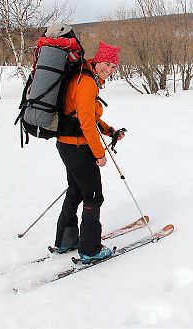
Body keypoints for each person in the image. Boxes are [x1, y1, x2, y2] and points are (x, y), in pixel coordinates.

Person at [53, 41, 124, 264]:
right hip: (78, 147)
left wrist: (109, 130)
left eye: (114, 67)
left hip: (67, 145)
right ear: (98, 60)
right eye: (107, 64)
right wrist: (99, 154)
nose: (110, 70)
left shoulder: (83, 77)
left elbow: (86, 117)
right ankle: (90, 250)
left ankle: (67, 240)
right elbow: (85, 123)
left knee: (75, 190)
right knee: (93, 196)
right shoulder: (87, 83)